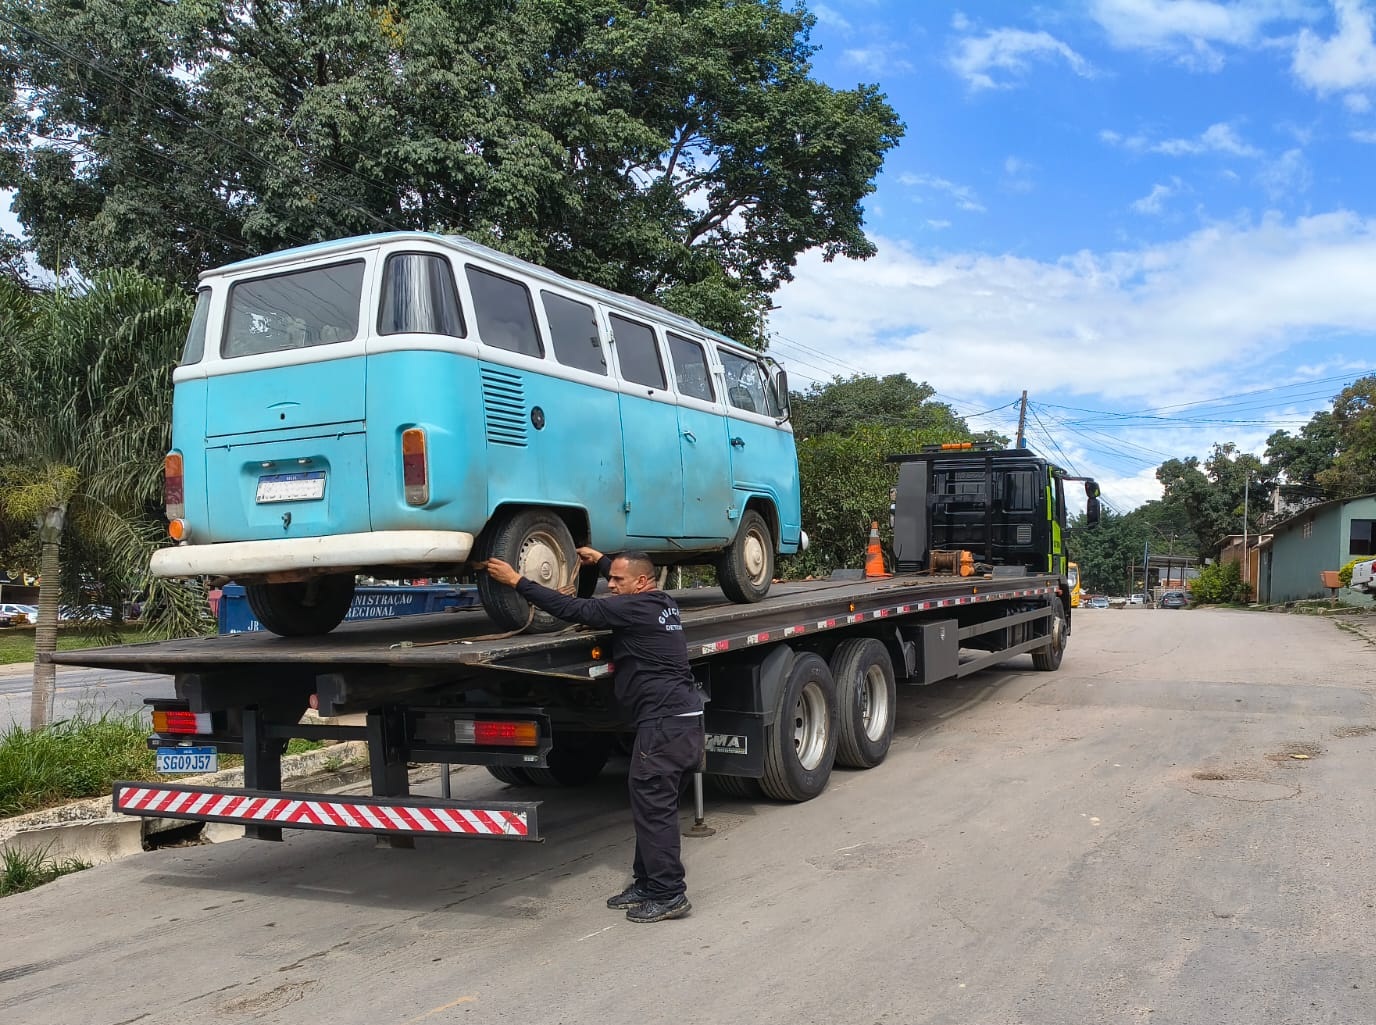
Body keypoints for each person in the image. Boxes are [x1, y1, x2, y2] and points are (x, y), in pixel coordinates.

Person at [478, 547, 703, 923]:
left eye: (616, 580)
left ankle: (669, 894)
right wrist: (600, 560)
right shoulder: (661, 602)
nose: (609, 584)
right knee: (653, 809)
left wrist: (517, 581)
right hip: (680, 722)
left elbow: (574, 609)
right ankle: (648, 884)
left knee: (654, 810)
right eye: (609, 577)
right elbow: (625, 576)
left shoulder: (633, 607)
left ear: (641, 582)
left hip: (665, 727)